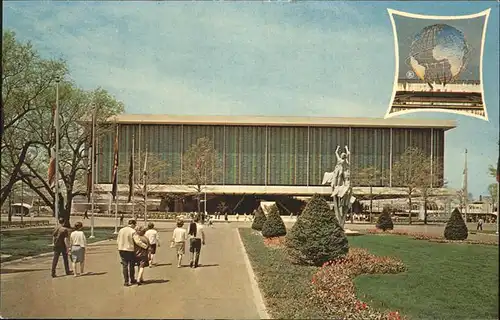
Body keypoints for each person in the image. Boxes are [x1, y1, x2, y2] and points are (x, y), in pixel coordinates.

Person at [117, 219, 148, 286]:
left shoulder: (121, 230)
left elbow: (118, 240)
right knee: (131, 265)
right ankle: (132, 279)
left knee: (124, 265)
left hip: (121, 249)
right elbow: (137, 241)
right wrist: (145, 246)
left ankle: (126, 281)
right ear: (133, 224)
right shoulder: (133, 231)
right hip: (129, 249)